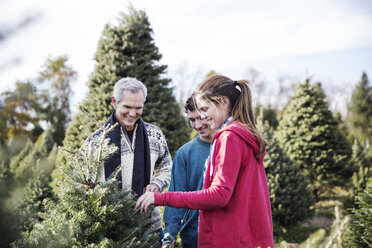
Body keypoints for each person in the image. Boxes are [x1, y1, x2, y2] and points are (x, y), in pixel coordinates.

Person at [136, 75, 274, 248]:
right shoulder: (245, 134)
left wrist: (160, 198)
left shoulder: (229, 137)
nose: (203, 117)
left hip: (228, 239)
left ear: (223, 102)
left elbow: (219, 195)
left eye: (205, 109)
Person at [90, 77, 172, 242]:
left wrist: (157, 184)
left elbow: (167, 167)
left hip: (150, 226)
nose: (132, 113)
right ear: (114, 102)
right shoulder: (97, 141)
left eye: (138, 107)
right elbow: (84, 181)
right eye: (127, 107)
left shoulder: (155, 134)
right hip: (109, 228)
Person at [162, 95, 216, 248]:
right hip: (194, 239)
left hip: (227, 237)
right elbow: (176, 194)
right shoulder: (184, 153)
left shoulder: (232, 147)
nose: (198, 125)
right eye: (192, 120)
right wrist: (169, 234)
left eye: (201, 118)